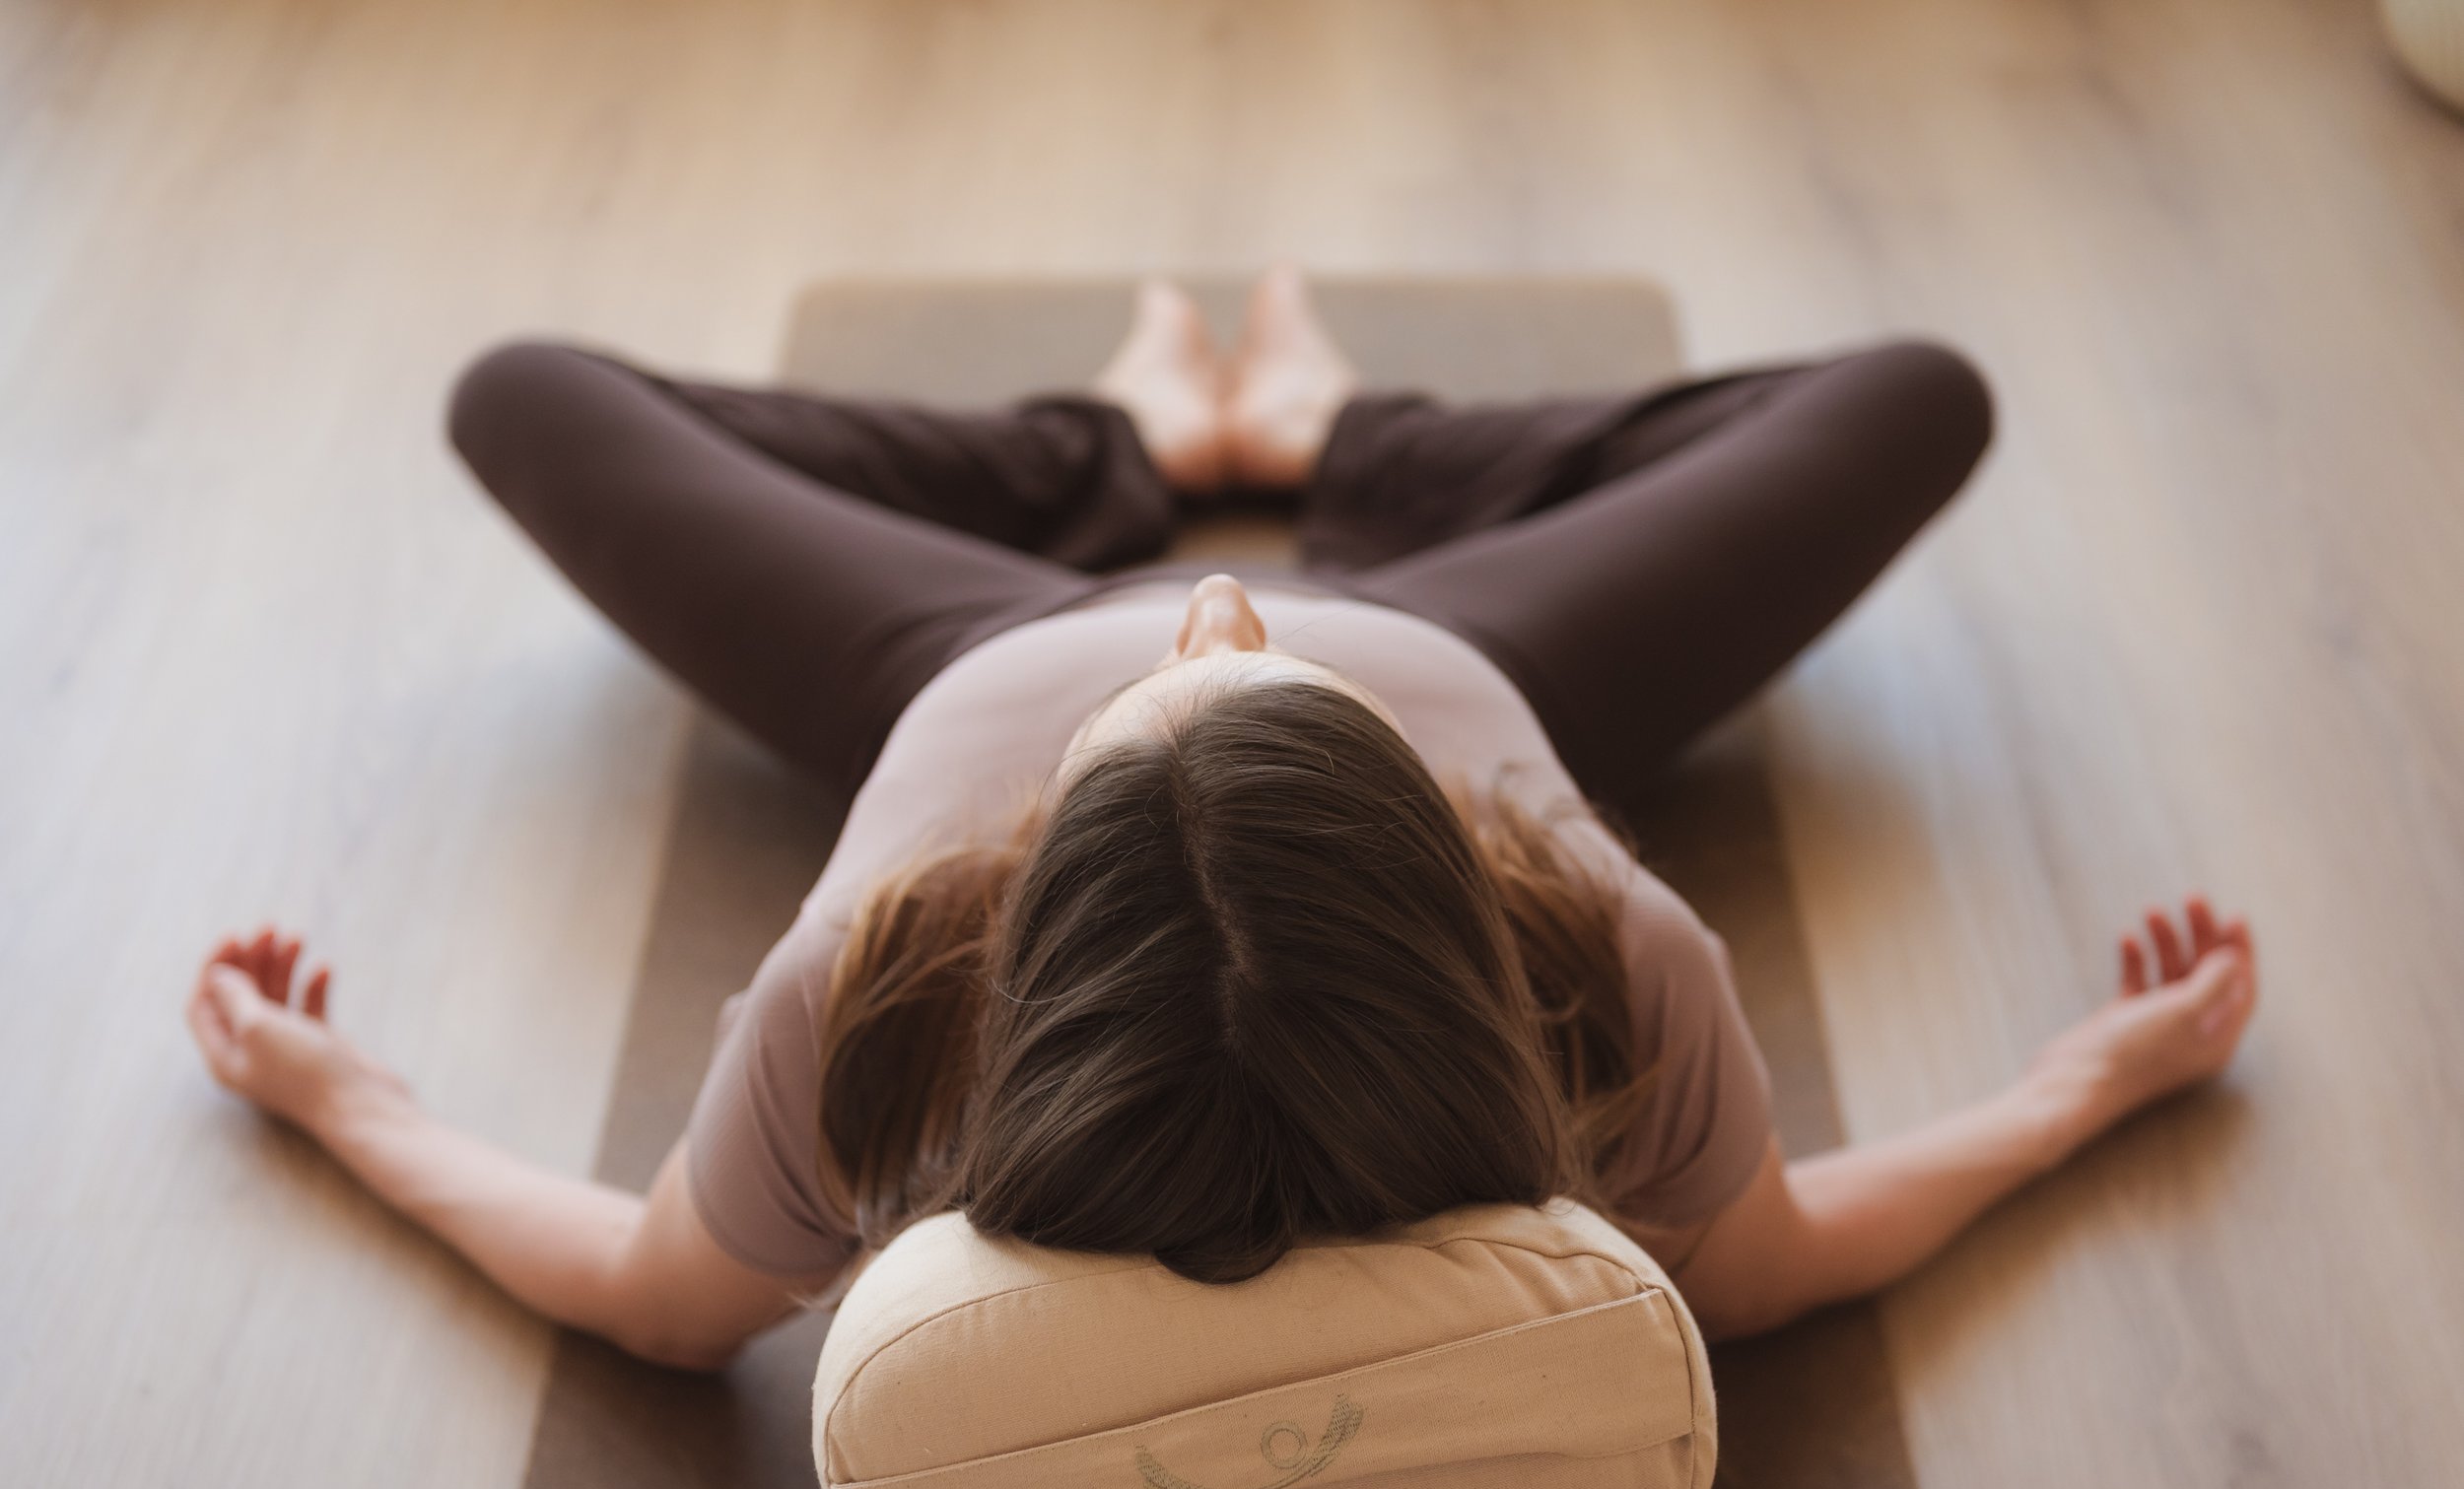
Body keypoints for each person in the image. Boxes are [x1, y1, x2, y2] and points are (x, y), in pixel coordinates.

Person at [183, 269, 2258, 1374]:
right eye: (1249, 650)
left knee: (521, 392)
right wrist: (2076, 1088)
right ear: (1450, 850)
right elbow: (1767, 1270)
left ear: (1017, 885)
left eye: (1188, 658)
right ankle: (1350, 446)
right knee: (1914, 391)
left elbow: (647, 1302)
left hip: (936, 654)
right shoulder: (1607, 954)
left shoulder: (878, 969)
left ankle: (1106, 450)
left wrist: (347, 1096)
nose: (1210, 596)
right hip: (1473, 629)